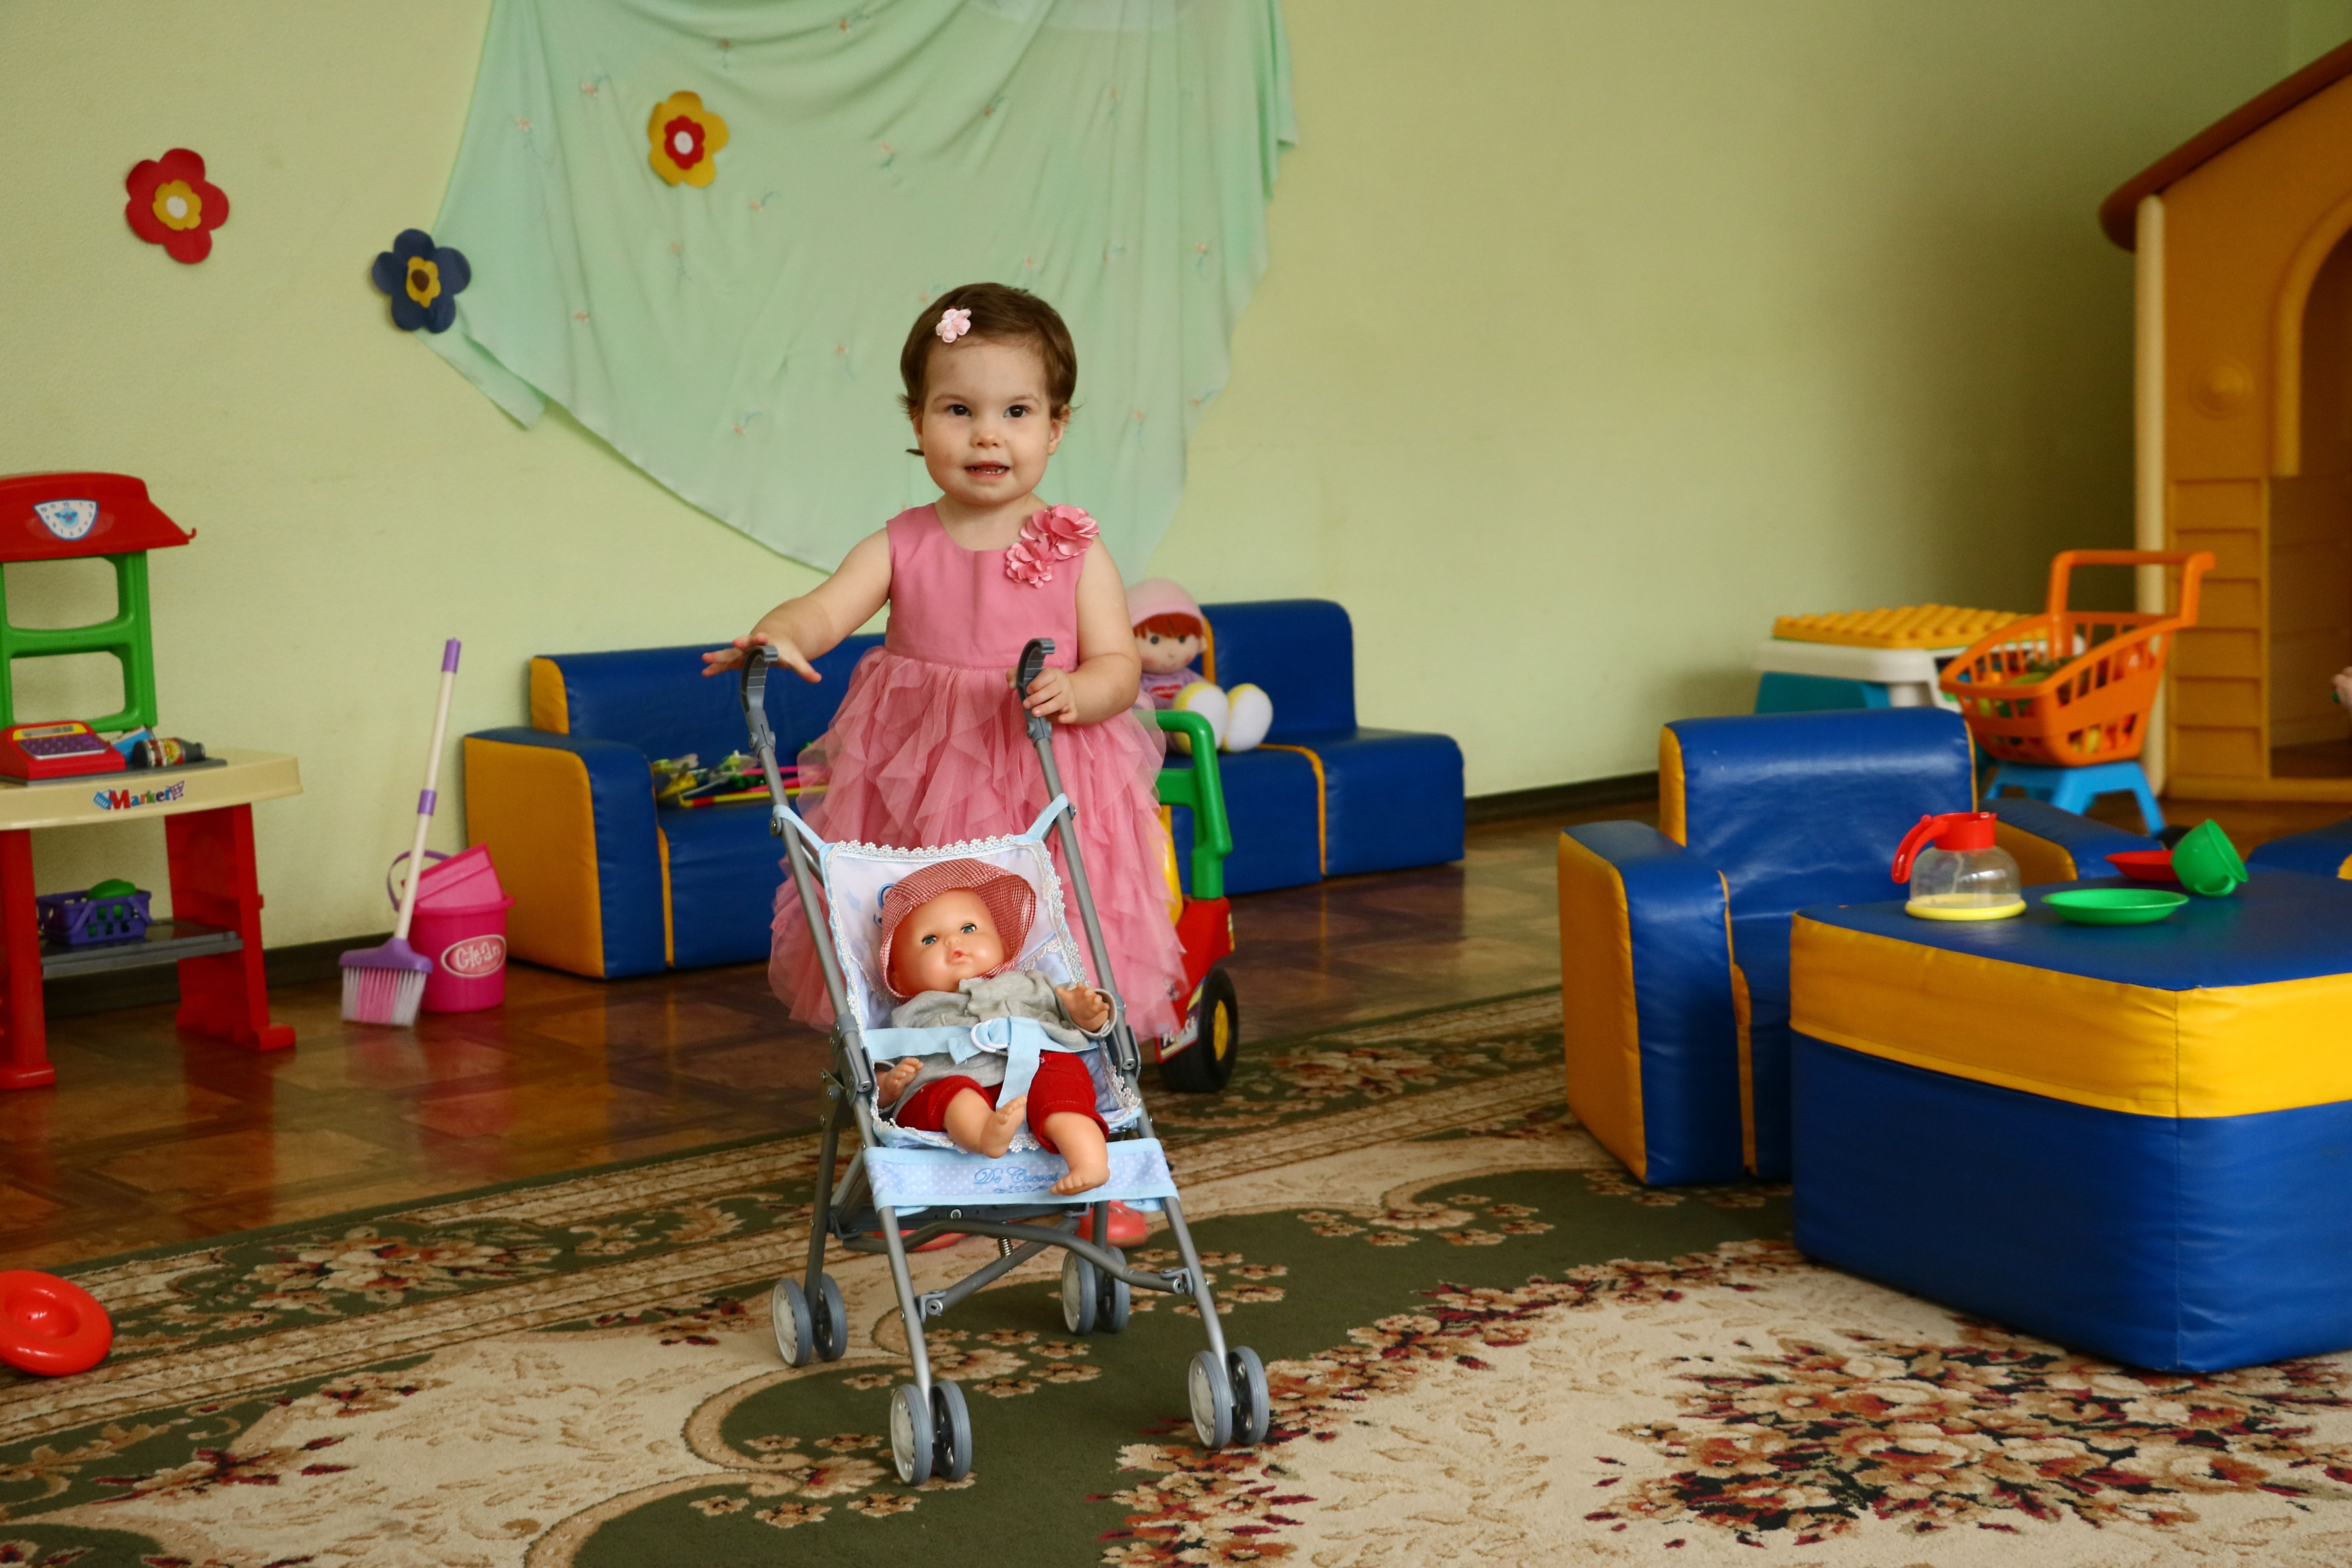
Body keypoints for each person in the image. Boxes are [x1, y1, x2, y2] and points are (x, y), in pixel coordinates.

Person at [704, 282, 1186, 1042]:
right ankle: (935, 1054)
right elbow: (826, 609)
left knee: (1054, 907)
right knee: (927, 912)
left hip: (1044, 766)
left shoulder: (1075, 551)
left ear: (1056, 426)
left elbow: (1120, 667)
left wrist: (1079, 691)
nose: (987, 436)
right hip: (919, 775)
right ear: (918, 420)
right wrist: (780, 633)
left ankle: (1059, 1045)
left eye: (1017, 412)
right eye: (959, 410)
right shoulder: (902, 543)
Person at [867, 859, 1111, 1195]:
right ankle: (984, 1133)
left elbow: (1082, 1027)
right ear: (899, 980)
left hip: (1040, 1066)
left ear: (1003, 945)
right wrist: (888, 1085)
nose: (954, 942)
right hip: (953, 1078)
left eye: (969, 929)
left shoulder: (1031, 984)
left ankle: (1090, 1161)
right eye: (930, 940)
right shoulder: (909, 1014)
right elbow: (881, 1061)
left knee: (1063, 1084)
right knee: (948, 1097)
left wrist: (1087, 1014)